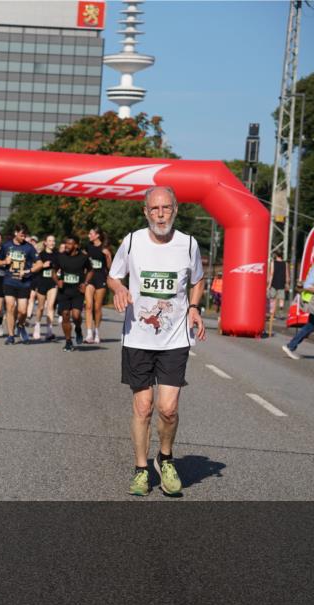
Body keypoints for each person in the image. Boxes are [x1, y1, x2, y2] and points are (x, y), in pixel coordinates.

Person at [108, 185, 206, 497]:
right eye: (154, 209)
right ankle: (140, 470)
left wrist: (193, 307)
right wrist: (119, 289)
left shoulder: (188, 244)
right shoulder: (133, 240)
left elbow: (198, 280)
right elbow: (113, 275)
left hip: (174, 338)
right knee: (143, 406)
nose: (160, 214)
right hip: (137, 335)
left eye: (166, 208)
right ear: (145, 211)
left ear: (175, 210)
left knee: (168, 409)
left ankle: (165, 459)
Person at [0, 223, 42, 345]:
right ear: (16, 233)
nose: (23, 237)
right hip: (9, 280)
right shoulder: (6, 246)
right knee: (10, 307)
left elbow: (40, 264)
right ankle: (11, 336)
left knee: (22, 311)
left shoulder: (29, 247)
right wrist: (4, 261)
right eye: (22, 235)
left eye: (25, 235)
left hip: (24, 283)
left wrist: (28, 271)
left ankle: (20, 326)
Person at [54, 236, 94, 351]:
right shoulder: (60, 257)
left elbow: (91, 270)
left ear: (76, 245)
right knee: (65, 314)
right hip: (64, 291)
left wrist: (85, 283)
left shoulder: (84, 257)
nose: (66, 246)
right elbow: (53, 271)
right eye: (66, 243)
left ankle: (78, 328)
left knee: (76, 316)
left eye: (69, 244)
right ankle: (68, 341)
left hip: (77, 291)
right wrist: (57, 281)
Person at [83, 227, 112, 344]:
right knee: (88, 306)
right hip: (89, 279)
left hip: (101, 278)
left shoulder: (105, 249)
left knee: (97, 307)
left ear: (97, 235)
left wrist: (108, 256)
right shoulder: (87, 247)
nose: (89, 235)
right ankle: (89, 333)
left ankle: (97, 332)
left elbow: (110, 267)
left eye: (91, 233)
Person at [31, 234, 59, 341]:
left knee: (51, 306)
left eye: (53, 241)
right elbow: (34, 268)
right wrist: (43, 265)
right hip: (41, 281)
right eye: (50, 241)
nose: (52, 243)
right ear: (45, 243)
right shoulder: (40, 255)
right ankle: (37, 326)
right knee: (41, 307)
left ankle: (49, 331)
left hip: (52, 282)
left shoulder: (57, 255)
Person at [267, 250, 288, 324]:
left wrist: (269, 284)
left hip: (274, 283)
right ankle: (281, 313)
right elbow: (286, 273)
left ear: (276, 255)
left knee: (272, 299)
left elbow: (272, 273)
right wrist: (286, 283)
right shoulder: (285, 263)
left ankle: (272, 314)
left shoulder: (273, 263)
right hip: (281, 283)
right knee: (281, 299)